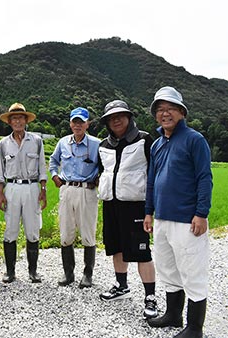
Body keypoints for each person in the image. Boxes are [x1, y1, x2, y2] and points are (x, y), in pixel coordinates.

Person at [144, 87, 212, 337]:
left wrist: (201, 213)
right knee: (168, 269)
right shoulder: (158, 144)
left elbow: (205, 177)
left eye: (170, 108)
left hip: (187, 219)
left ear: (181, 112)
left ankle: (195, 328)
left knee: (192, 271)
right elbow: (152, 180)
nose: (165, 113)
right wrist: (149, 212)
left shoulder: (195, 139)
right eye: (160, 109)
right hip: (161, 217)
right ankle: (173, 315)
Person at [97, 100, 158, 319]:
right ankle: (121, 286)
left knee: (141, 251)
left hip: (135, 205)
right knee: (116, 247)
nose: (116, 120)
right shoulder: (104, 145)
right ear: (107, 122)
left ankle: (150, 296)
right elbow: (101, 171)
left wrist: (151, 208)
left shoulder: (144, 140)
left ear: (129, 117)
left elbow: (154, 173)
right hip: (111, 203)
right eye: (111, 118)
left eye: (120, 116)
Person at [0, 102, 47, 283]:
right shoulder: (3, 144)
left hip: (32, 187)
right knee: (10, 229)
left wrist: (43, 190)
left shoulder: (36, 141)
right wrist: (0, 193)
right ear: (9, 122)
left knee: (32, 230)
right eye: (14, 118)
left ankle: (33, 271)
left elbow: (42, 167)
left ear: (26, 120)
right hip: (12, 188)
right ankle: (10, 272)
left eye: (21, 118)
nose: (17, 121)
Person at [49, 107, 100, 288]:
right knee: (66, 232)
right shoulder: (63, 142)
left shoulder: (96, 144)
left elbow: (105, 166)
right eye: (74, 122)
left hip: (87, 191)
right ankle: (68, 273)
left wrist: (98, 179)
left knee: (88, 233)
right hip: (67, 189)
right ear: (70, 123)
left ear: (88, 124)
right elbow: (53, 160)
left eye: (81, 122)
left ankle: (88, 274)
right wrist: (54, 176)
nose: (77, 125)